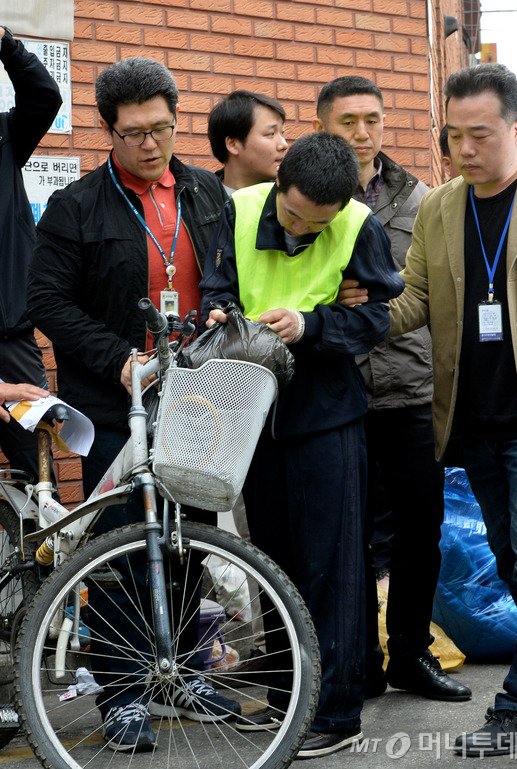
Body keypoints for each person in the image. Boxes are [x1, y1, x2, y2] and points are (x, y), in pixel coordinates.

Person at [27, 57, 240, 753]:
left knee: (186, 538)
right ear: (109, 132)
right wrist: (118, 358)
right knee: (119, 545)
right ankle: (120, 689)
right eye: (135, 133)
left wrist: (217, 314)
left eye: (163, 129)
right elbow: (47, 302)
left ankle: (180, 667)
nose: (151, 144)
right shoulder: (76, 207)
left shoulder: (209, 193)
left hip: (191, 393)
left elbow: (228, 277)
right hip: (116, 398)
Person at [200, 132, 404, 758]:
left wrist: (310, 324)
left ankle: (338, 711)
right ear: (280, 181)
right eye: (292, 216)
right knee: (276, 559)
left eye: (318, 225)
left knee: (334, 565)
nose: (301, 231)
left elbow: (376, 315)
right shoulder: (235, 208)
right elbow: (216, 289)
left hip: (325, 411)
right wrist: (220, 315)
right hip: (252, 408)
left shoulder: (358, 225)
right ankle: (293, 698)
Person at [389, 62, 517, 756]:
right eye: (452, 136)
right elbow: (413, 303)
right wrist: (343, 316)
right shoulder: (438, 207)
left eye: (480, 135)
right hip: (470, 421)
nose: (464, 150)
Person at [315, 75, 470, 702]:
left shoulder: (422, 200)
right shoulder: (302, 195)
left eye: (372, 119)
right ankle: (356, 663)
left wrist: (382, 291)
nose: (361, 132)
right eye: (347, 120)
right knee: (345, 536)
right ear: (322, 123)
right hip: (337, 394)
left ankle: (410, 653)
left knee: (418, 530)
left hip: (410, 388)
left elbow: (434, 290)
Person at [207, 88, 288, 678]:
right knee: (223, 531)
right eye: (270, 133)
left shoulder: (295, 204)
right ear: (234, 144)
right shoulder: (204, 204)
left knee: (269, 529)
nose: (283, 143)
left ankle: (276, 659)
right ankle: (238, 657)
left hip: (284, 391)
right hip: (216, 394)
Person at [0, 25, 61, 481]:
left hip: (11, 337)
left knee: (42, 489)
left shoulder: (5, 138)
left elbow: (44, 96)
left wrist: (5, 43)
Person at [208, 89, 288, 194]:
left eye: (282, 133)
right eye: (270, 134)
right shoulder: (199, 204)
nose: (284, 145)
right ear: (233, 145)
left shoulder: (291, 203)